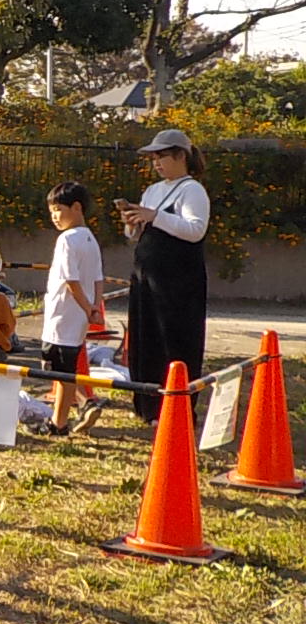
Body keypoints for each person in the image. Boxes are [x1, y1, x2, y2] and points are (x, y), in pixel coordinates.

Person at [118, 128, 210, 425]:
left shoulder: (191, 189)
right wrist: (132, 222)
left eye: (162, 157)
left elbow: (195, 230)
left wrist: (155, 216)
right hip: (147, 275)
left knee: (175, 338)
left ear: (181, 156)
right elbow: (136, 235)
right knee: (146, 337)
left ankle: (177, 405)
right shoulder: (152, 191)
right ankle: (147, 403)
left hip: (178, 280)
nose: (157, 164)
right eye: (153, 158)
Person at [35, 182, 105, 437]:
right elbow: (98, 278)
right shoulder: (90, 238)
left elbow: (71, 280)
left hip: (62, 316)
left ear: (77, 208)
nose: (54, 216)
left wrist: (88, 307)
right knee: (66, 367)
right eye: (51, 211)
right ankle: (77, 408)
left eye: (58, 210)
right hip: (78, 318)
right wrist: (95, 307)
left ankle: (59, 421)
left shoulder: (67, 239)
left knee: (56, 368)